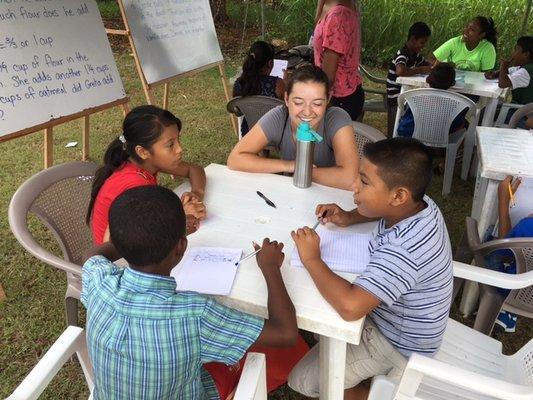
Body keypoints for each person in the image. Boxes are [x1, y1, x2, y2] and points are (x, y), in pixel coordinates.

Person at [81, 185, 300, 399]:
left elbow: (91, 255)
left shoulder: (99, 280)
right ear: (181, 247)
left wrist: (139, 237)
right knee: (236, 356)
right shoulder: (194, 313)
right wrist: (270, 267)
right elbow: (286, 333)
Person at [288, 138, 453, 400]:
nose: (354, 186)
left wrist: (312, 259)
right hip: (399, 319)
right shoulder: (419, 204)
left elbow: (351, 307)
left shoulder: (404, 248)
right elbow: (383, 208)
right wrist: (350, 216)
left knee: (303, 381)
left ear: (398, 195)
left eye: (364, 182)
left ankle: (377, 394)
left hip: (397, 343)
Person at [87, 105, 207, 244]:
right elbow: (150, 240)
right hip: (118, 260)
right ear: (143, 152)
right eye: (170, 145)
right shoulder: (136, 186)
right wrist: (183, 217)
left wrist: (196, 193)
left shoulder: (142, 162)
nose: (180, 149)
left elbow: (194, 169)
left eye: (178, 140)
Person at [227, 65, 358, 190]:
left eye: (317, 103)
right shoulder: (280, 116)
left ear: (328, 99)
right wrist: (291, 166)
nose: (307, 112)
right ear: (286, 99)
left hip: (330, 202)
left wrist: (303, 172)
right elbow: (235, 159)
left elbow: (349, 178)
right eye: (298, 102)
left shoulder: (335, 118)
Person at [483, 176, 533, 333]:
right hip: (530, 295)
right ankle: (510, 313)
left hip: (514, 285)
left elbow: (504, 248)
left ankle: (504, 308)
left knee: (490, 240)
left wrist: (503, 202)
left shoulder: (528, 225)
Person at [313, 0, 364, 121]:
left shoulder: (338, 15)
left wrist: (315, 102)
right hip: (343, 94)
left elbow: (328, 76)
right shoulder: (337, 6)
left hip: (337, 97)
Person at [396, 63, 468, 138]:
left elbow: (405, 120)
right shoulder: (454, 105)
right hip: (438, 137)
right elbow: (457, 124)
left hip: (409, 134)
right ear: (453, 83)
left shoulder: (415, 99)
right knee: (464, 123)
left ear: (428, 80)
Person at [386, 22, 433, 136]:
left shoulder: (415, 55)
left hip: (406, 93)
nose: (424, 46)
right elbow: (400, 71)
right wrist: (420, 70)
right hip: (395, 96)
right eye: (422, 42)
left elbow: (428, 65)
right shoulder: (402, 54)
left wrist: (435, 66)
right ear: (413, 39)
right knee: (396, 127)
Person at [233, 41, 286, 136]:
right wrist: (287, 83)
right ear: (270, 63)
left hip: (248, 132)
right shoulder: (278, 84)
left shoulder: (239, 83)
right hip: (274, 133)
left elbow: (238, 112)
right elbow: (289, 107)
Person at [485, 36, 533, 128]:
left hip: (521, 114)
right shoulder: (524, 67)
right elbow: (510, 71)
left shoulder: (526, 71)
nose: (513, 54)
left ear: (526, 54)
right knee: (488, 110)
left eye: (516, 50)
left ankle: (482, 138)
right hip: (521, 110)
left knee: (487, 112)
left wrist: (503, 66)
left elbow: (502, 84)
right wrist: (494, 74)